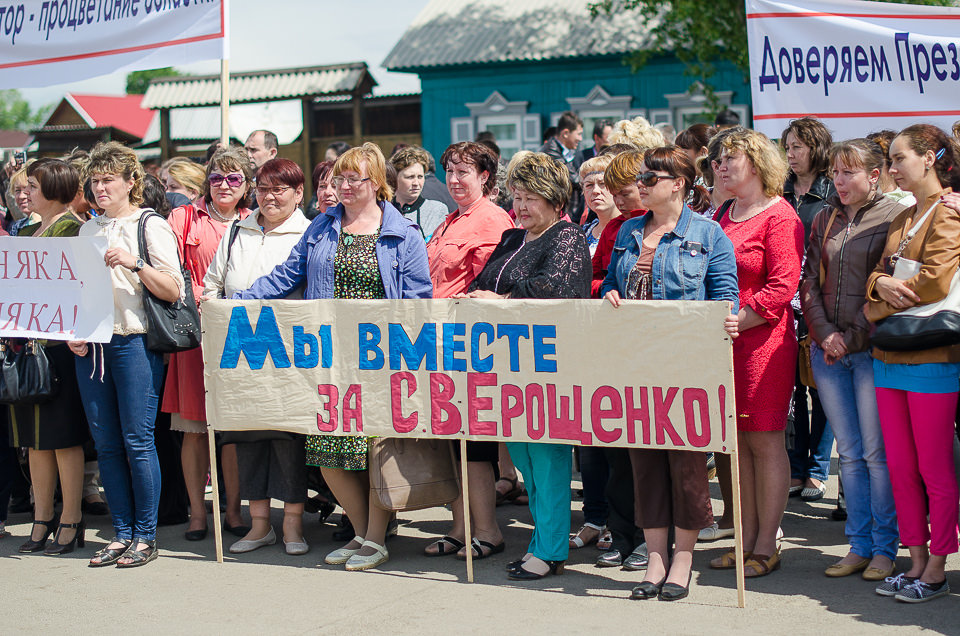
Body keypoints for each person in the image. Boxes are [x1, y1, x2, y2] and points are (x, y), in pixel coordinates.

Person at [235, 143, 431, 571]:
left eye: (353, 179)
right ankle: (362, 532)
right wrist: (240, 302)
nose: (342, 186)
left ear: (376, 183)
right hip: (330, 360)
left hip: (382, 363)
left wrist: (407, 359)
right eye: (338, 179)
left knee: (376, 452)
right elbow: (288, 275)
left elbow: (418, 301)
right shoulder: (322, 228)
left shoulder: (403, 234)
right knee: (329, 453)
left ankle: (377, 539)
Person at [602, 145, 739, 600]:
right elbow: (611, 283)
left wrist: (722, 321)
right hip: (634, 360)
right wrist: (609, 296)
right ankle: (655, 558)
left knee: (685, 465)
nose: (640, 185)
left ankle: (682, 560)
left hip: (685, 362)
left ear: (678, 183)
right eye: (640, 178)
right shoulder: (626, 230)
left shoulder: (708, 233)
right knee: (644, 464)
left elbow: (725, 294)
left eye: (650, 179)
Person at [461, 151, 591, 580]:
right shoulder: (513, 239)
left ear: (555, 199)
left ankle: (551, 549)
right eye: (516, 195)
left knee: (549, 460)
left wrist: (499, 302)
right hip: (506, 370)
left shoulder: (566, 238)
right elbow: (481, 284)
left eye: (530, 196)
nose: (520, 206)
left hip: (548, 371)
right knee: (524, 460)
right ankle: (540, 541)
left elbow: (557, 289)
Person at [71, 141, 185, 568]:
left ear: (130, 182)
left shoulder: (149, 224)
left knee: (138, 440)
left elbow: (173, 289)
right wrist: (74, 332)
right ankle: (121, 533)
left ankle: (145, 535)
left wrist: (135, 263)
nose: (100, 188)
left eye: (108, 180)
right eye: (95, 181)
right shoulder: (86, 230)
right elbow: (78, 292)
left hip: (135, 341)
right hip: (93, 346)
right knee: (106, 444)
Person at [800, 139, 904, 581]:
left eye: (849, 173)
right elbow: (808, 282)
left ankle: (885, 547)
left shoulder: (895, 218)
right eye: (836, 174)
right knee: (853, 455)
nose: (839, 182)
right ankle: (859, 545)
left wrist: (851, 336)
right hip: (829, 354)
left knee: (877, 455)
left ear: (874, 175)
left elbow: (891, 285)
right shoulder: (824, 217)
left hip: (870, 351)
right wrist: (825, 335)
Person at [865, 124, 960, 603]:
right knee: (901, 466)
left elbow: (936, 283)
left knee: (934, 468)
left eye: (900, 158)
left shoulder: (948, 213)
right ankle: (916, 560)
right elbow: (878, 277)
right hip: (889, 354)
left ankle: (939, 566)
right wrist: (877, 291)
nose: (893, 168)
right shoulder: (905, 214)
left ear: (929, 158)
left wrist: (876, 301)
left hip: (933, 354)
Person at [203, 158, 312, 556]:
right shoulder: (237, 230)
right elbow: (213, 283)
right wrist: (212, 305)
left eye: (278, 189)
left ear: (298, 193)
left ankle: (294, 526)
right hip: (239, 352)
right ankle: (260, 524)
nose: (269, 196)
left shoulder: (309, 233)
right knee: (247, 439)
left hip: (288, 354)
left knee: (287, 441)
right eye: (263, 188)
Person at [709, 128, 803, 578]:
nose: (721, 166)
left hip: (761, 342)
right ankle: (744, 540)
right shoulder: (723, 211)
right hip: (721, 341)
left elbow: (784, 284)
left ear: (757, 164)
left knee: (764, 441)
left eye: (730, 159)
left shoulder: (780, 216)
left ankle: (768, 543)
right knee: (735, 446)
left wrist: (743, 318)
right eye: (718, 160)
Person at [421, 141, 514, 561]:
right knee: (453, 442)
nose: (455, 181)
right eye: (450, 173)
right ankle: (460, 529)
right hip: (439, 344)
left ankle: (488, 531)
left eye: (464, 173)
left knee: (475, 444)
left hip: (470, 345)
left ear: (485, 177)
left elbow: (490, 286)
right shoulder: (449, 220)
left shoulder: (492, 220)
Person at [161, 147, 252, 542]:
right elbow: (168, 269)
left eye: (234, 178)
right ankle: (198, 513)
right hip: (193, 335)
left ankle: (232, 510)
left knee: (230, 429)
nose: (224, 185)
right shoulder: (182, 218)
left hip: (241, 336)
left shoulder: (254, 220)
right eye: (217, 177)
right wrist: (199, 295)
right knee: (194, 430)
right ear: (206, 181)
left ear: (247, 184)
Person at [9, 159, 90, 555]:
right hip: (27, 348)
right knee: (34, 442)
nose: (27, 194)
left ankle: (71, 517)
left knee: (62, 438)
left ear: (54, 188)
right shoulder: (24, 229)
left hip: (59, 350)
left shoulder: (72, 228)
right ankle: (41, 517)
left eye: (34, 186)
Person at [781, 116, 836, 503]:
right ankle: (796, 467)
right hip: (786, 302)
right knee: (793, 391)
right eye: (787, 147)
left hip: (820, 300)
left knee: (822, 391)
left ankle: (818, 469)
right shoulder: (779, 190)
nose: (790, 154)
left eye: (797, 147)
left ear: (815, 148)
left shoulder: (832, 191)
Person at [569, 153, 619, 552]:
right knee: (586, 438)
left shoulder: (627, 231)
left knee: (614, 437)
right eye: (588, 185)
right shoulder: (582, 232)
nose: (596, 191)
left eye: (603, 182)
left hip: (617, 346)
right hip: (582, 343)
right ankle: (593, 515)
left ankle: (616, 522)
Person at [390, 146, 448, 241]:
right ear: (395, 178)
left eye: (420, 177)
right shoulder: (383, 210)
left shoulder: (437, 209)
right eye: (410, 177)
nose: (416, 183)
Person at [540, 111, 585, 220]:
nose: (580, 139)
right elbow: (573, 179)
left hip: (569, 212)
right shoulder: (550, 151)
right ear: (565, 133)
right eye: (578, 134)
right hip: (561, 213)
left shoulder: (566, 150)